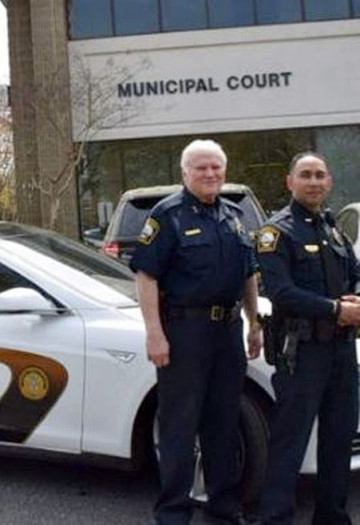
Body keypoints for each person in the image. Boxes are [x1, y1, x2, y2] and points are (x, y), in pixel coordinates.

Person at [130, 139, 262, 525]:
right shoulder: (167, 215)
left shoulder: (235, 216)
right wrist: (154, 333)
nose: (210, 174)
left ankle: (223, 509)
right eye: (201, 168)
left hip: (228, 332)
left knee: (223, 423)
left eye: (216, 167)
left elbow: (248, 274)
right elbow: (146, 276)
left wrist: (254, 323)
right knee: (179, 427)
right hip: (184, 331)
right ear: (185, 173)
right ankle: (173, 513)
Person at [257, 152, 360, 525]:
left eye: (320, 175)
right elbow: (280, 291)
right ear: (290, 182)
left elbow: (355, 273)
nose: (314, 181)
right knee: (290, 441)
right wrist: (335, 309)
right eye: (306, 175)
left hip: (342, 351)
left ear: (329, 182)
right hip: (301, 353)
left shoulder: (332, 228)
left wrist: (356, 299)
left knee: (339, 439)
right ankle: (275, 518)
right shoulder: (277, 232)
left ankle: (332, 517)